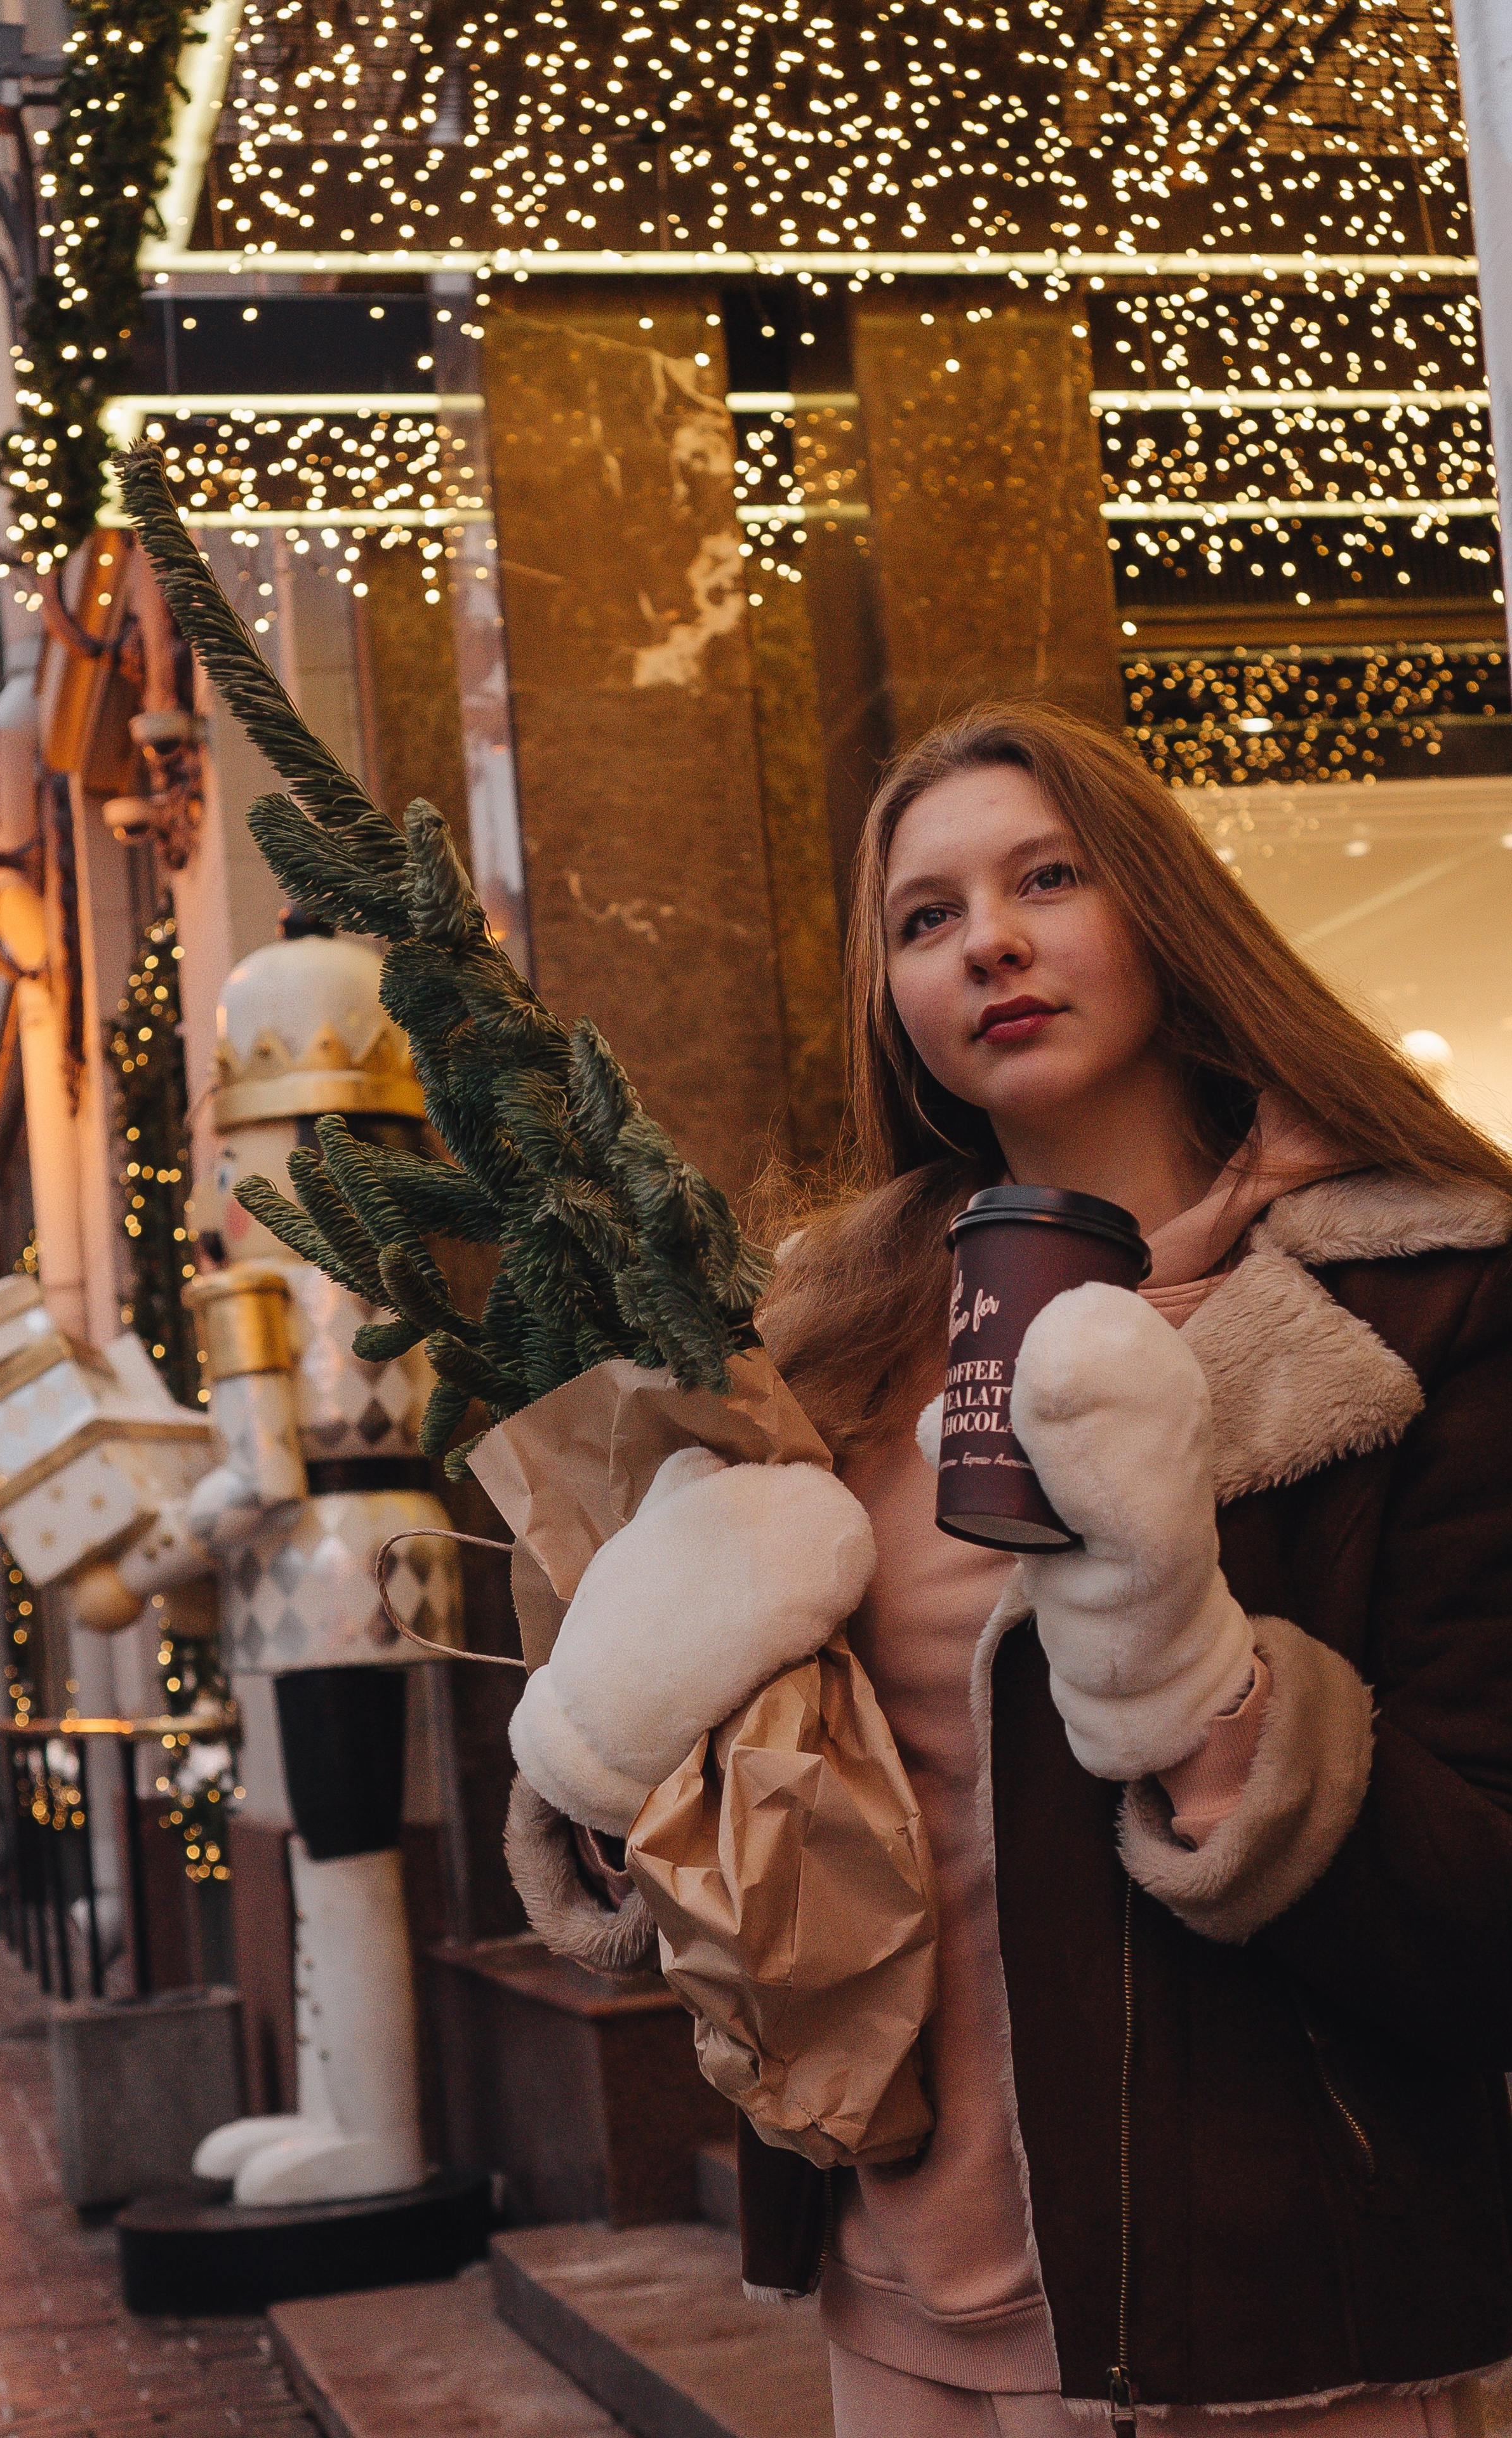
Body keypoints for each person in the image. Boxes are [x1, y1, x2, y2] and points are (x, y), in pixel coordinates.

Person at [510, 701, 1512, 2435]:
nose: (989, 941)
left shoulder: (1420, 1304)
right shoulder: (807, 1361)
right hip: (898, 2310)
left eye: (1047, 877)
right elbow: (735, 1863)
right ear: (892, 1000)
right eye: (924, 917)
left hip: (1279, 2329)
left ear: (1161, 913)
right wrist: (611, 1726)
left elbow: (1483, 1909)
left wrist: (1194, 1680)